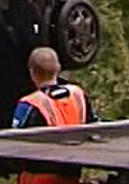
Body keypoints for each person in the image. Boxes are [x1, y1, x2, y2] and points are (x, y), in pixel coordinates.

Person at [12, 47, 98, 184]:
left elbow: (13, 143)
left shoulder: (29, 104)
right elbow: (94, 127)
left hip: (38, 177)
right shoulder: (78, 95)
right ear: (58, 68)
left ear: (32, 72)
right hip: (71, 175)